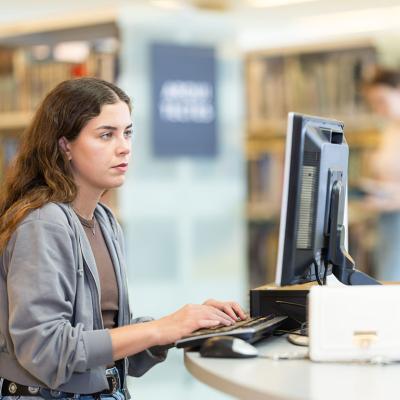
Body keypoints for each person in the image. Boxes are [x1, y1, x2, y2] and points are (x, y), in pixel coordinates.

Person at [0, 77, 247, 399]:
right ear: (65, 145)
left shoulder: (103, 220)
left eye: (127, 132)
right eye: (106, 135)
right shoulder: (43, 223)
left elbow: (107, 341)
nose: (124, 147)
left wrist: (185, 326)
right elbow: (46, 350)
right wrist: (160, 328)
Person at [362, 67, 400, 281]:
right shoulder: (390, 131)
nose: (378, 109)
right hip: (386, 219)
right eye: (373, 103)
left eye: (382, 101)